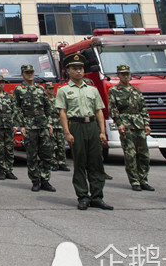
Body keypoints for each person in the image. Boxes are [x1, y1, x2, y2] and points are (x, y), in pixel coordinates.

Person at [56, 53, 111, 211]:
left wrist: (102, 131)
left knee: (96, 163)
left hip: (92, 125)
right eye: (75, 69)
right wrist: (67, 132)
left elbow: (99, 111)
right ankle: (83, 197)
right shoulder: (64, 90)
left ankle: (97, 197)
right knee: (80, 162)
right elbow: (63, 112)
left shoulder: (92, 90)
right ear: (68, 71)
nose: (79, 71)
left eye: (80, 68)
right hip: (77, 126)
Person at [108, 64, 154, 192]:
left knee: (144, 154)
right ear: (118, 76)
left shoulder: (136, 90)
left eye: (127, 74)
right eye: (123, 74)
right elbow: (113, 109)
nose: (126, 76)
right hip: (126, 124)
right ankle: (134, 180)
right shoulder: (114, 90)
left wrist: (146, 123)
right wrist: (119, 123)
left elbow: (143, 108)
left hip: (138, 124)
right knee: (130, 154)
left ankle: (143, 179)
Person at [14, 65, 56, 193]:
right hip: (29, 125)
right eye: (27, 72)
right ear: (22, 74)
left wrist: (49, 123)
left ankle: (45, 180)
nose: (30, 74)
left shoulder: (40, 89)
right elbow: (17, 108)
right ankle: (35, 181)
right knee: (32, 155)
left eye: (31, 72)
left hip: (42, 124)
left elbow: (48, 107)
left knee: (46, 154)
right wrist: (21, 125)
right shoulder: (19, 90)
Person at [45, 83, 69, 172]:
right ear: (46, 89)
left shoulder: (57, 100)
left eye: (52, 88)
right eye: (49, 89)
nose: (51, 90)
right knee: (51, 145)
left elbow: (63, 112)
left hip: (59, 125)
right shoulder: (45, 101)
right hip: (50, 125)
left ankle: (62, 163)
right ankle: (54, 163)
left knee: (61, 145)